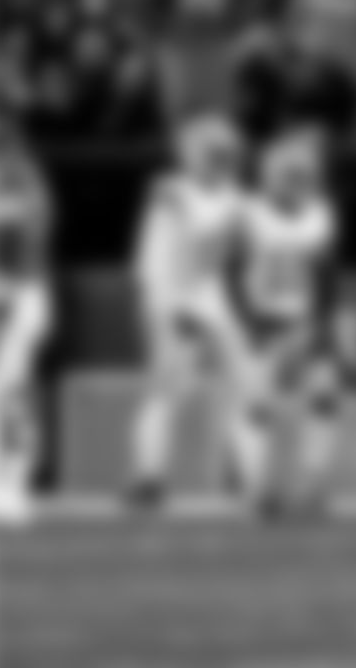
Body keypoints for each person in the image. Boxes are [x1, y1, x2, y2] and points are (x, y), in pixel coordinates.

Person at [127, 113, 256, 512]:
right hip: (170, 297)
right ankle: (149, 478)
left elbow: (228, 258)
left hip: (209, 298)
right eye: (203, 152)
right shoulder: (170, 190)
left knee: (245, 387)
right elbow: (167, 258)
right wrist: (171, 310)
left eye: (221, 154)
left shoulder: (236, 200)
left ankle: (251, 479)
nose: (213, 161)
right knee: (165, 387)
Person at [232, 129, 340, 517]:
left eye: (301, 176)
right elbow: (230, 272)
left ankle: (314, 484)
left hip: (305, 317)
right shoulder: (248, 213)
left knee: (323, 397)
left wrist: (319, 324)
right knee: (256, 404)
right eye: (287, 175)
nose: (295, 184)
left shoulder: (320, 213)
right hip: (262, 318)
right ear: (269, 176)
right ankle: (258, 487)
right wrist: (248, 321)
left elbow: (326, 275)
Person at [0, 141, 52, 525]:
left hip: (13, 297)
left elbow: (24, 244)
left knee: (7, 392)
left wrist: (4, 298)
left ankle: (12, 486)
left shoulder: (15, 178)